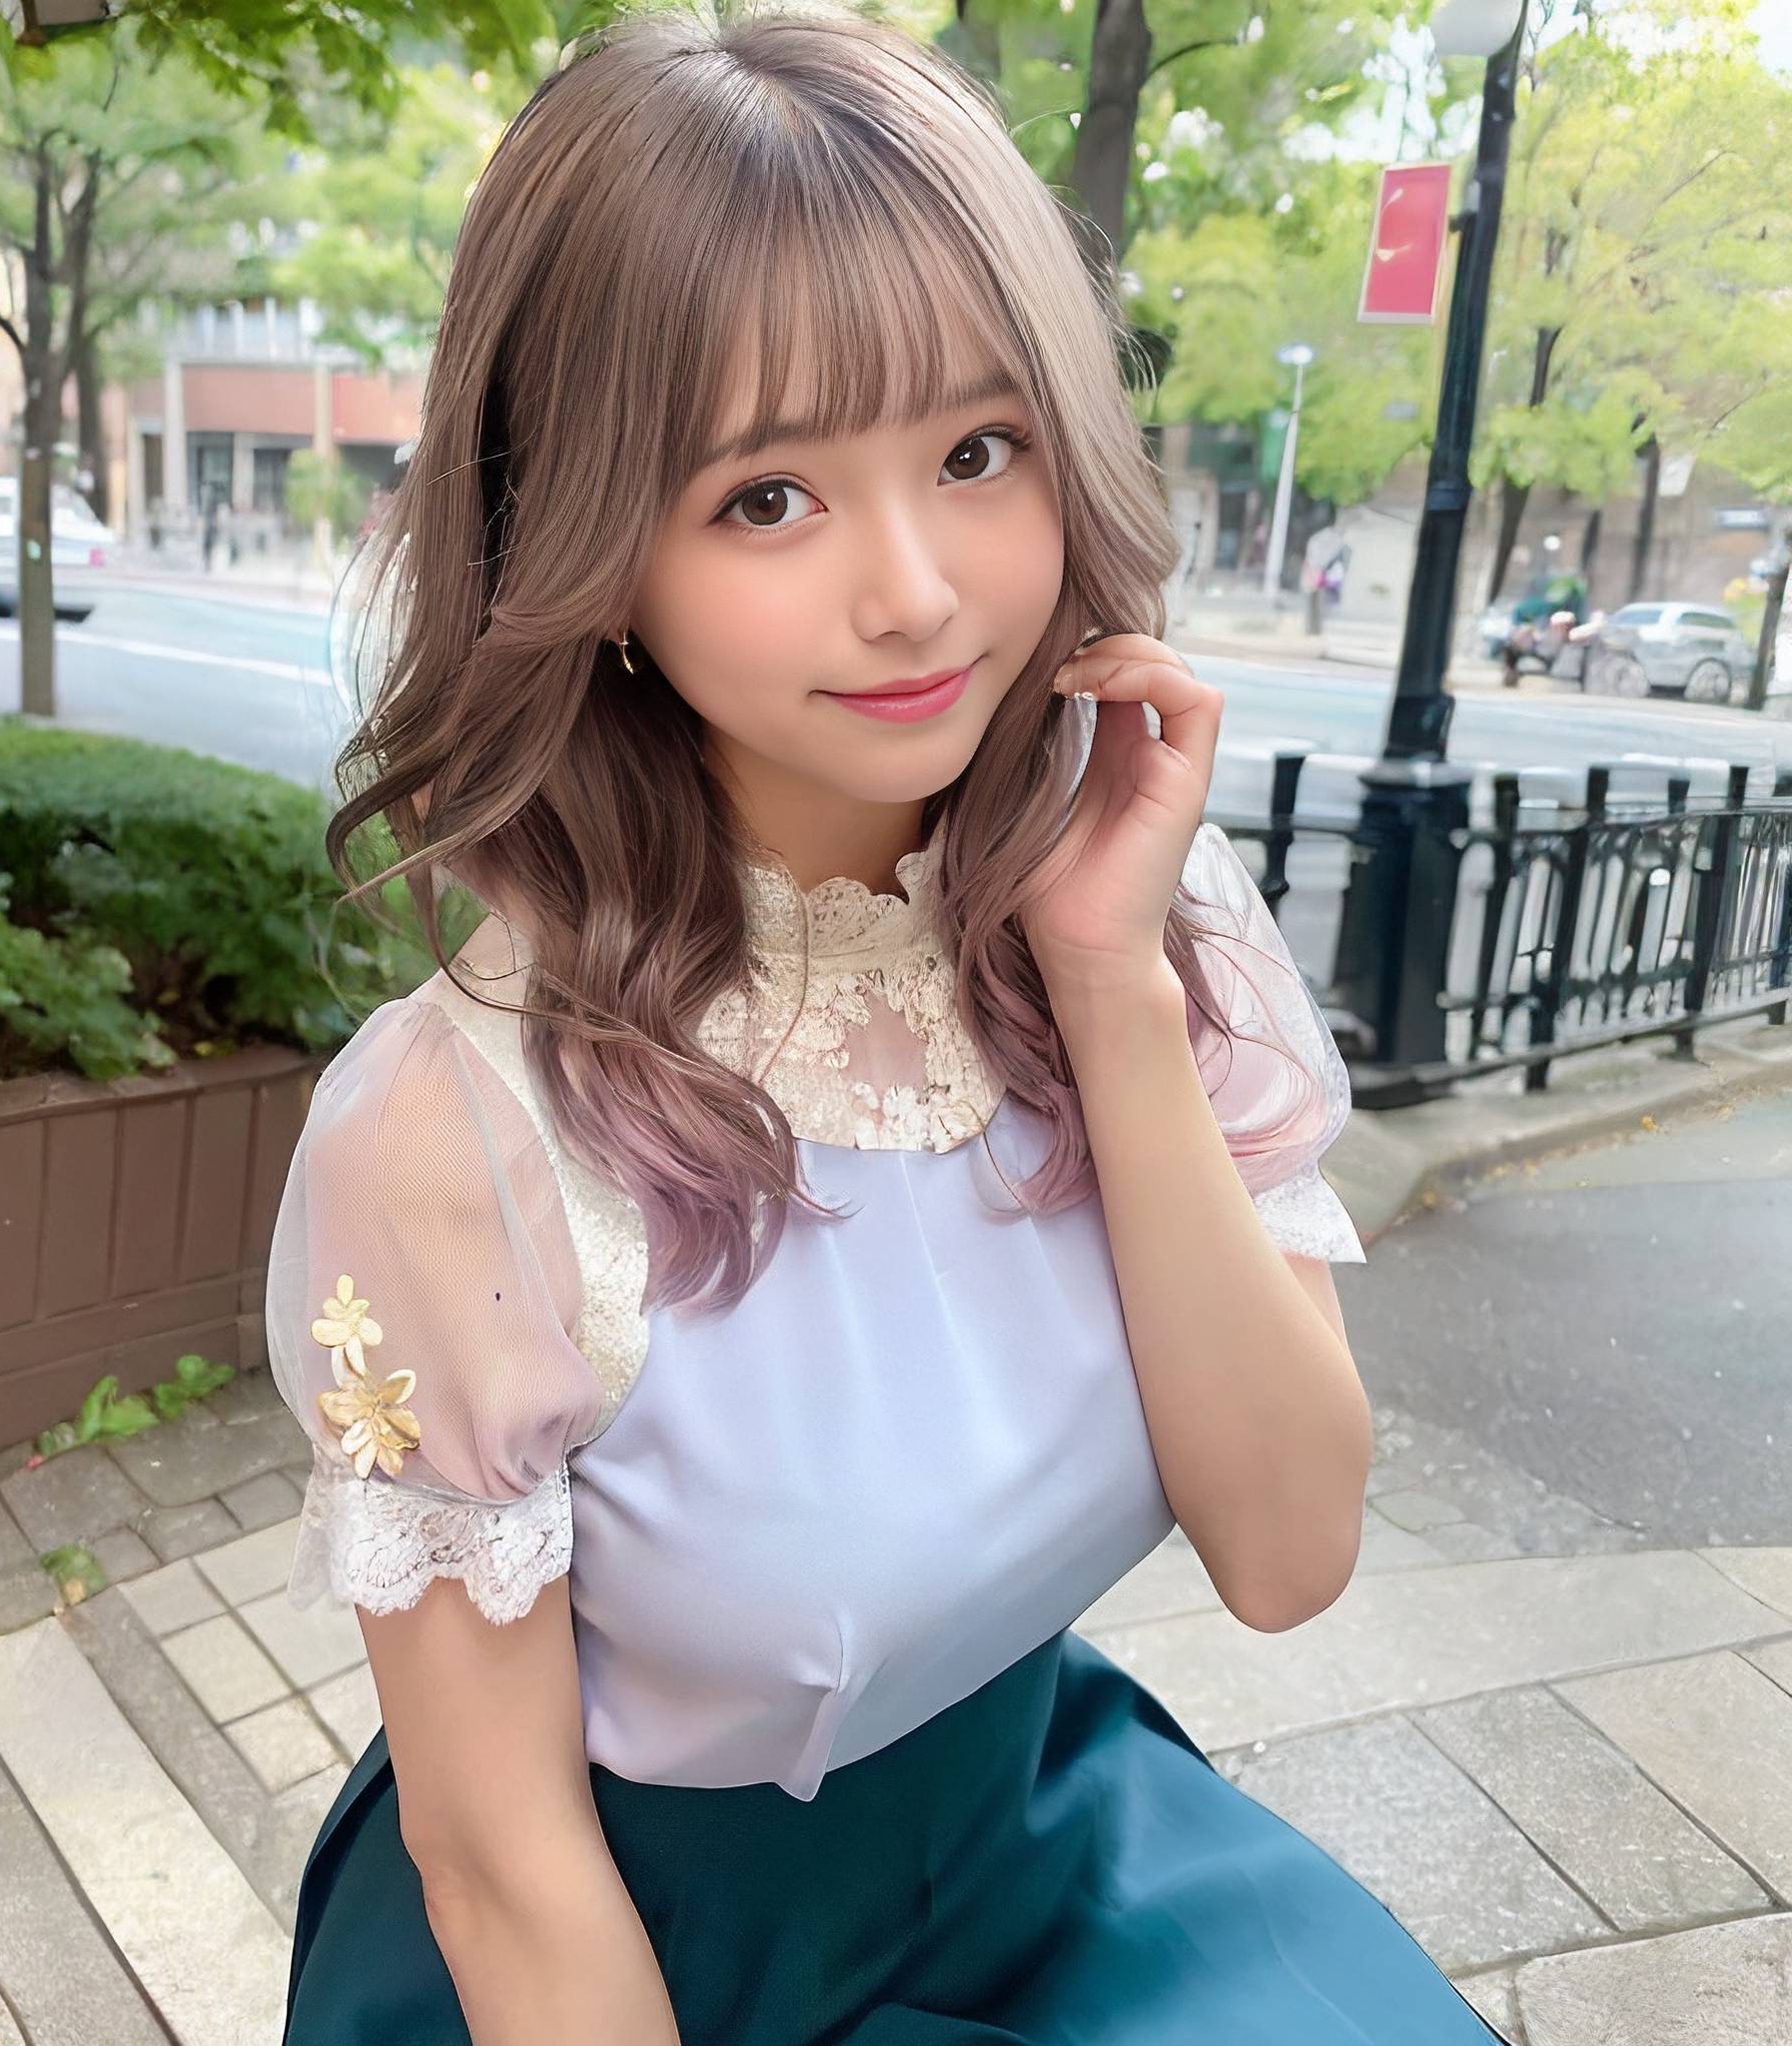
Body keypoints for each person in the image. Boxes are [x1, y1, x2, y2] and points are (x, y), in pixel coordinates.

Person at [266, 7, 1513, 2041]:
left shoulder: (1145, 906)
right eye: (767, 498)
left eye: (974, 449)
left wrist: (1106, 989)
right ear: (585, 543)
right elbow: (498, 1861)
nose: (921, 593)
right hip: (646, 1947)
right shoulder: (459, 1132)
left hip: (1036, 1831)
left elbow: (1286, 1549)